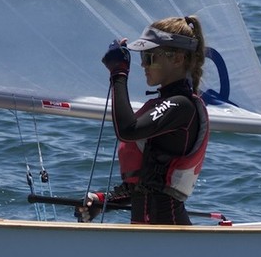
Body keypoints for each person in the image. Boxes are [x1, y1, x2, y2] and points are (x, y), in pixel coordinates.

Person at [80, 15, 210, 226]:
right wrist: (103, 201)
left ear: (177, 59)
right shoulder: (167, 105)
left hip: (167, 233)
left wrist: (119, 73)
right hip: (149, 233)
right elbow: (147, 186)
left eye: (150, 57)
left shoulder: (181, 106)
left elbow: (127, 130)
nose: (143, 65)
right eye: (142, 57)